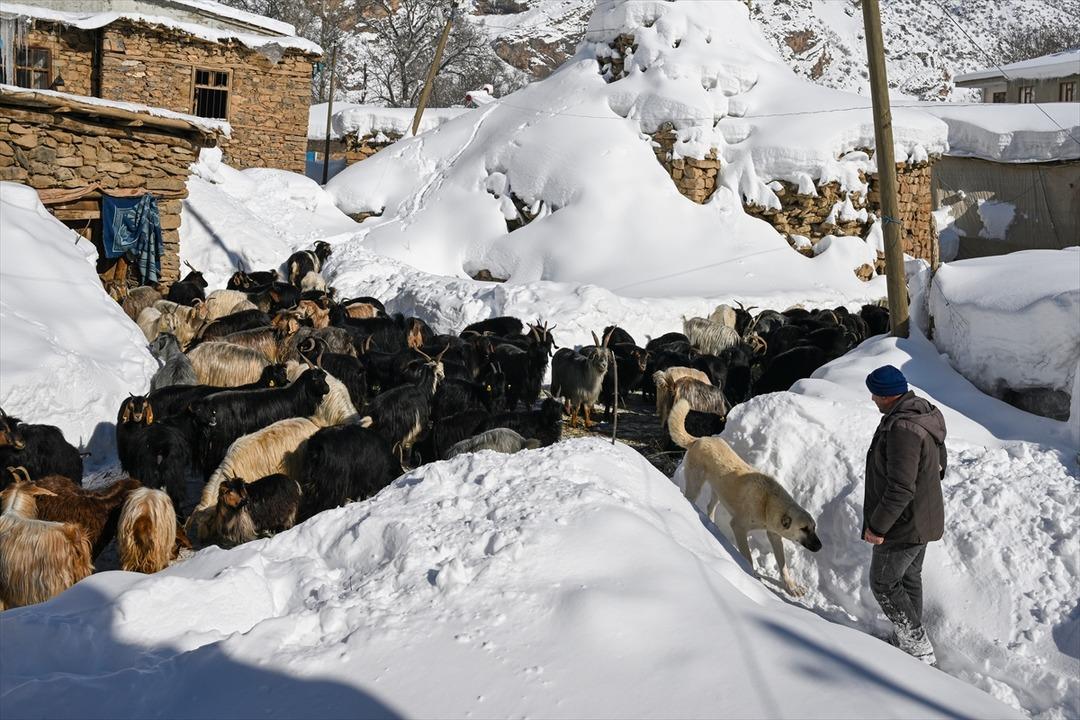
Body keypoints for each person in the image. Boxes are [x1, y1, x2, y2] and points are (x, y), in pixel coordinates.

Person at [862, 365, 947, 666]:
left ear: (886, 396)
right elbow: (940, 458)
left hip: (903, 522)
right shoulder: (922, 413)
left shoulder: (902, 428)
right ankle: (911, 640)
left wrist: (877, 526)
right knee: (909, 577)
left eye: (874, 393)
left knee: (883, 582)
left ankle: (917, 646)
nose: (872, 398)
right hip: (922, 517)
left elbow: (900, 488)